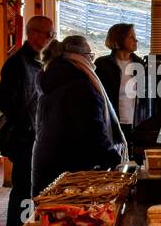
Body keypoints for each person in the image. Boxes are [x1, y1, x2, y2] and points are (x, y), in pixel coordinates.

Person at [32, 35, 124, 195]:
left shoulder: (53, 80)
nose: (92, 63)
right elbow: (91, 131)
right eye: (90, 56)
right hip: (70, 173)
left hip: (48, 166)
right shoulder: (80, 87)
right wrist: (114, 159)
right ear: (80, 57)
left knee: (49, 217)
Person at [0, 15, 53, 226]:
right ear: (33, 34)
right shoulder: (17, 63)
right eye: (48, 34)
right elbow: (4, 102)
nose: (51, 39)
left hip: (34, 137)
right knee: (22, 192)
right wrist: (28, 124)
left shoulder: (39, 61)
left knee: (31, 191)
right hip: (23, 140)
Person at [94, 23, 150, 158]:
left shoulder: (141, 65)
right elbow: (97, 97)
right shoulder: (102, 65)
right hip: (111, 123)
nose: (136, 40)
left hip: (136, 124)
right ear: (118, 39)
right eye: (131, 37)